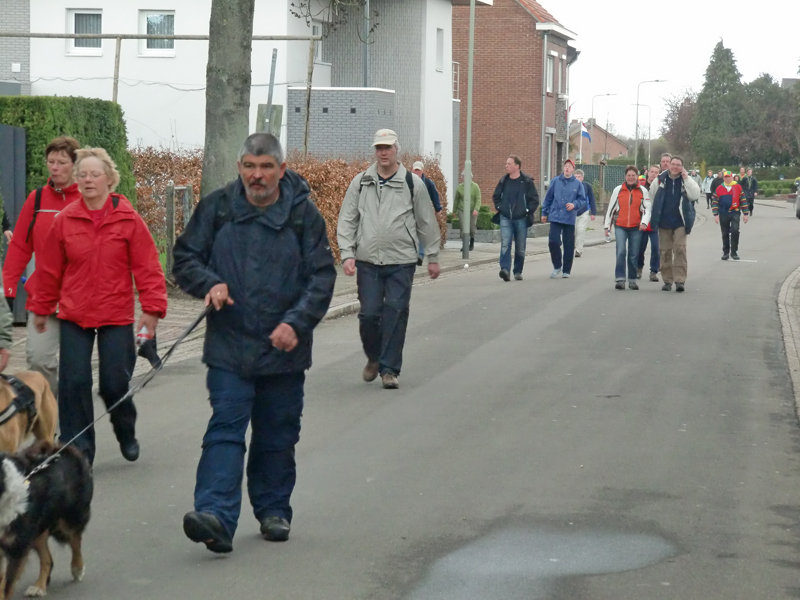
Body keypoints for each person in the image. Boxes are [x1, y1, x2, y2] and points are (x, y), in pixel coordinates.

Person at [173, 133, 336, 553]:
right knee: (225, 428)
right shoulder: (218, 208)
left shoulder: (303, 215)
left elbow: (321, 276)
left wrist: (296, 323)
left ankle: (273, 509)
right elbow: (185, 259)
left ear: (282, 170)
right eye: (249, 166)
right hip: (229, 344)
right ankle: (215, 516)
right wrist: (210, 284)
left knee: (276, 434)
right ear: (240, 168)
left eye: (265, 167)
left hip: (284, 348)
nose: (256, 175)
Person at [30, 147, 167, 465]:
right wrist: (41, 306)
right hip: (75, 314)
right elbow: (49, 270)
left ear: (109, 179)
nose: (88, 179)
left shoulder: (128, 219)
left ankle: (125, 429)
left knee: (113, 383)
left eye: (94, 174)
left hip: (115, 314)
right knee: (74, 383)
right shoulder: (64, 220)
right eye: (82, 175)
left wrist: (152, 309)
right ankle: (79, 452)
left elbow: (147, 267)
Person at [337, 129, 440, 390]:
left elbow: (426, 221)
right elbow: (347, 219)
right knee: (369, 314)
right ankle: (374, 356)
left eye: (387, 148)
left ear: (396, 150)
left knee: (395, 311)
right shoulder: (361, 182)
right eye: (378, 148)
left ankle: (389, 369)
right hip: (368, 261)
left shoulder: (411, 183)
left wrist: (433, 256)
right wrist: (347, 254)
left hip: (401, 260)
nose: (382, 153)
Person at [3, 136, 82, 396]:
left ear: (75, 164)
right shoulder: (37, 199)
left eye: (61, 162)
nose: (55, 167)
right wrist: (8, 290)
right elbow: (19, 249)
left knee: (75, 368)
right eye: (51, 162)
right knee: (38, 361)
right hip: (44, 297)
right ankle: (51, 417)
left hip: (80, 299)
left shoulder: (87, 198)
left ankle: (71, 423)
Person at [648, 155, 700, 293]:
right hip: (663, 221)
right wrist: (650, 217)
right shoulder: (660, 180)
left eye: (678, 165)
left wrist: (687, 178)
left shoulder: (686, 181)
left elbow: (695, 195)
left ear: (682, 167)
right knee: (665, 251)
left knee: (680, 249)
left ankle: (680, 280)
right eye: (673, 164)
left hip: (680, 222)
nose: (675, 167)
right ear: (669, 165)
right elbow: (651, 198)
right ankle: (667, 280)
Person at [492, 156, 539, 281]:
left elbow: (534, 200)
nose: (506, 166)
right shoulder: (504, 181)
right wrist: (499, 207)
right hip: (506, 217)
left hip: (521, 218)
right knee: (505, 244)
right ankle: (505, 270)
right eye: (506, 163)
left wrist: (527, 210)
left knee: (520, 247)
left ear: (517, 166)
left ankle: (518, 271)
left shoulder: (527, 181)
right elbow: (496, 196)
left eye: (509, 163)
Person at [604, 166, 651, 290]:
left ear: (637, 177)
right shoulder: (618, 190)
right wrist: (606, 226)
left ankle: (632, 280)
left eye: (633, 175)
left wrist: (644, 222)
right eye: (629, 175)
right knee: (620, 252)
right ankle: (620, 279)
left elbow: (647, 209)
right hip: (620, 226)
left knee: (634, 253)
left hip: (636, 227)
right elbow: (611, 209)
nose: (631, 177)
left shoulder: (642, 191)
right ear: (625, 177)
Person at [541, 159, 587, 279]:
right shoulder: (555, 181)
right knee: (553, 242)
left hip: (569, 217)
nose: (567, 168)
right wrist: (544, 213)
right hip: (555, 216)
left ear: (573, 169)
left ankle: (566, 270)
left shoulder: (577, 184)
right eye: (565, 166)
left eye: (569, 166)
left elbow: (582, 200)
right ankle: (557, 266)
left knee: (568, 245)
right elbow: (548, 198)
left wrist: (574, 204)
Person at [712, 170, 749, 260]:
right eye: (726, 177)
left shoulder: (738, 187)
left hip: (735, 212)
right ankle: (725, 252)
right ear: (723, 178)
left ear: (732, 177)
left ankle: (734, 252)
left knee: (735, 230)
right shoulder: (719, 188)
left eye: (729, 177)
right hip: (723, 213)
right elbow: (715, 201)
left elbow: (743, 200)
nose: (727, 179)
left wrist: (745, 213)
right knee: (725, 233)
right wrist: (715, 214)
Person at [411, 161, 442, 264]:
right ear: (412, 170)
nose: (416, 172)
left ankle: (420, 255)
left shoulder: (428, 183)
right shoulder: (407, 181)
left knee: (421, 232)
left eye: (418, 171)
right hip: (411, 211)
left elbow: (435, 196)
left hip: (424, 211)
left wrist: (438, 210)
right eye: (415, 170)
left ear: (422, 171)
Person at [636, 164, 661, 282]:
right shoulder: (641, 187)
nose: (654, 174)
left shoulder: (661, 187)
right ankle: (639, 268)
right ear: (648, 173)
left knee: (656, 248)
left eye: (657, 172)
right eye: (652, 172)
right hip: (642, 222)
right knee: (640, 248)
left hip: (656, 223)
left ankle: (654, 271)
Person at [453, 171, 481, 252]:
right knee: (463, 226)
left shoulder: (475, 187)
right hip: (462, 209)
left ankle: (472, 240)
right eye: (464, 177)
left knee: (472, 227)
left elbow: (478, 199)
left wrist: (476, 209)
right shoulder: (460, 187)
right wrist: (454, 211)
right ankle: (465, 244)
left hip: (472, 209)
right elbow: (456, 200)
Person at [573, 169, 596, 258]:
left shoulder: (587, 186)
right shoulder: (571, 186)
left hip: (584, 211)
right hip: (573, 212)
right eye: (576, 177)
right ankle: (571, 247)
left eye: (579, 177)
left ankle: (579, 250)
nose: (577, 178)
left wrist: (593, 212)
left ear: (582, 178)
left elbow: (591, 198)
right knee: (573, 231)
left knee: (581, 230)